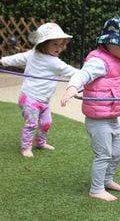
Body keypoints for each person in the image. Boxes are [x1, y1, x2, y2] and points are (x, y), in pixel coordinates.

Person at [61, 17, 120, 202]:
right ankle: (96, 189)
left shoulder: (116, 59)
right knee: (103, 155)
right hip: (98, 120)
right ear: (109, 43)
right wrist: (72, 87)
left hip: (111, 117)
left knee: (118, 152)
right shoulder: (98, 62)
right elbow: (83, 74)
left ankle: (106, 180)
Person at [0, 23, 78, 158]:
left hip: (43, 100)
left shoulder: (52, 60)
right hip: (29, 98)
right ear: (43, 44)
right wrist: (3, 61)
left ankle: (41, 143)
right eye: (55, 44)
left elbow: (71, 72)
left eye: (61, 44)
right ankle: (26, 148)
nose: (59, 48)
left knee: (46, 123)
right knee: (32, 124)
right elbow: (17, 58)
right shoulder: (38, 56)